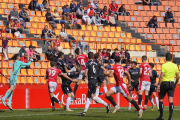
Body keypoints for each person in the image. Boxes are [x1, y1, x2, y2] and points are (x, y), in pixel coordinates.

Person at [156, 53, 179, 120]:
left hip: (164, 83)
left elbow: (161, 76)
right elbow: (178, 76)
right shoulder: (175, 65)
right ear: (171, 58)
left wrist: (158, 85)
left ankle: (161, 116)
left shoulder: (164, 65)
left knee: (160, 99)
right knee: (171, 101)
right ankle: (170, 117)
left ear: (165, 58)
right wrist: (175, 83)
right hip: (171, 83)